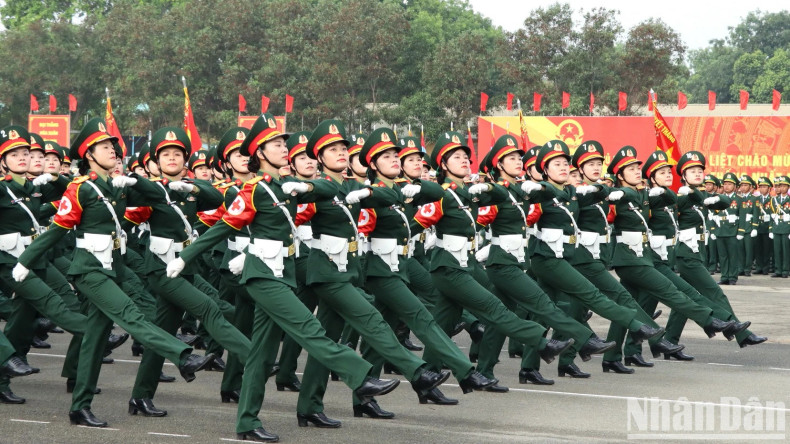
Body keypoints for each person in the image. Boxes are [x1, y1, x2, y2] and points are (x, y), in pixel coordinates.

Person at [167, 114, 401, 442]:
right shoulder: (254, 190)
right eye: (276, 144)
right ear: (260, 153)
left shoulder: (285, 187)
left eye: (282, 143)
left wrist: (306, 185)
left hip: (282, 274)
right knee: (310, 328)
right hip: (262, 277)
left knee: (261, 356)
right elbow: (223, 227)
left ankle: (247, 423)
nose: (283, 148)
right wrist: (185, 257)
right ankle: (359, 376)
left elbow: (329, 188)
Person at [14, 118, 214, 427]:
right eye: (105, 147)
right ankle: (183, 356)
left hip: (112, 269)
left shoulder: (117, 186)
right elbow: (56, 231)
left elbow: (158, 195)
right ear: (89, 155)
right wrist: (25, 261)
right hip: (89, 271)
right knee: (131, 315)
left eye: (113, 147)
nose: (113, 151)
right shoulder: (80, 188)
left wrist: (134, 181)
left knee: (94, 341)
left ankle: (79, 407)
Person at [414, 131, 575, 385]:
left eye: (466, 156)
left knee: (442, 324)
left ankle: (429, 377)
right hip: (449, 266)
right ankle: (541, 342)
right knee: (494, 308)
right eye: (456, 157)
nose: (464, 160)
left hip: (467, 264)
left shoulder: (472, 192)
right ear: (443, 165)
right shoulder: (443, 195)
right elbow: (409, 227)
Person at [127, 127, 252, 417]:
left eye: (177, 154)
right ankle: (254, 358)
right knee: (208, 308)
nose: (172, 158)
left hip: (184, 268)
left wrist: (191, 187)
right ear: (156, 161)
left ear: (185, 159)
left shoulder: (192, 190)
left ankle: (140, 397)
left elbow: (216, 197)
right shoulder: (152, 191)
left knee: (163, 333)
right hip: (161, 269)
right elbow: (127, 207)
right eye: (165, 154)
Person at [474, 135, 616, 385]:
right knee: (541, 305)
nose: (518, 162)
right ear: (499, 164)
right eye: (511, 158)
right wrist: (482, 245)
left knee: (502, 319)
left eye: (519, 158)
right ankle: (583, 340)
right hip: (513, 260)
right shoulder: (502, 193)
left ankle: (492, 370)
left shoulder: (524, 191)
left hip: (522, 259)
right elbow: (480, 221)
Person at [604, 146, 746, 363]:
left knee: (632, 307)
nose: (668, 175)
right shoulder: (628, 195)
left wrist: (676, 192)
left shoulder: (654, 196)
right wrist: (619, 191)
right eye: (661, 173)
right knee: (675, 293)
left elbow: (672, 197)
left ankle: (620, 355)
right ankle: (709, 321)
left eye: (668, 172)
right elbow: (615, 200)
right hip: (637, 258)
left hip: (653, 258)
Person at [670, 151, 767, 350]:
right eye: (692, 171)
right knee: (715, 294)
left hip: (698, 253)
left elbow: (725, 202)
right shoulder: (681, 196)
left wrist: (706, 197)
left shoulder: (702, 195)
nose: (698, 174)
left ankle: (669, 342)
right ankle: (742, 334)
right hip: (686, 254)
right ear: (683, 176)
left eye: (700, 171)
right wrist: (693, 194)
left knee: (684, 302)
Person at [768, 175, 790, 278]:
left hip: (786, 227)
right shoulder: (774, 200)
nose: (782, 188)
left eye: (785, 186)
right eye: (780, 186)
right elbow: (771, 216)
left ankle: (785, 270)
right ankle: (778, 270)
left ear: (788, 187)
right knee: (777, 250)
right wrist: (771, 229)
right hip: (777, 227)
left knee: (786, 250)